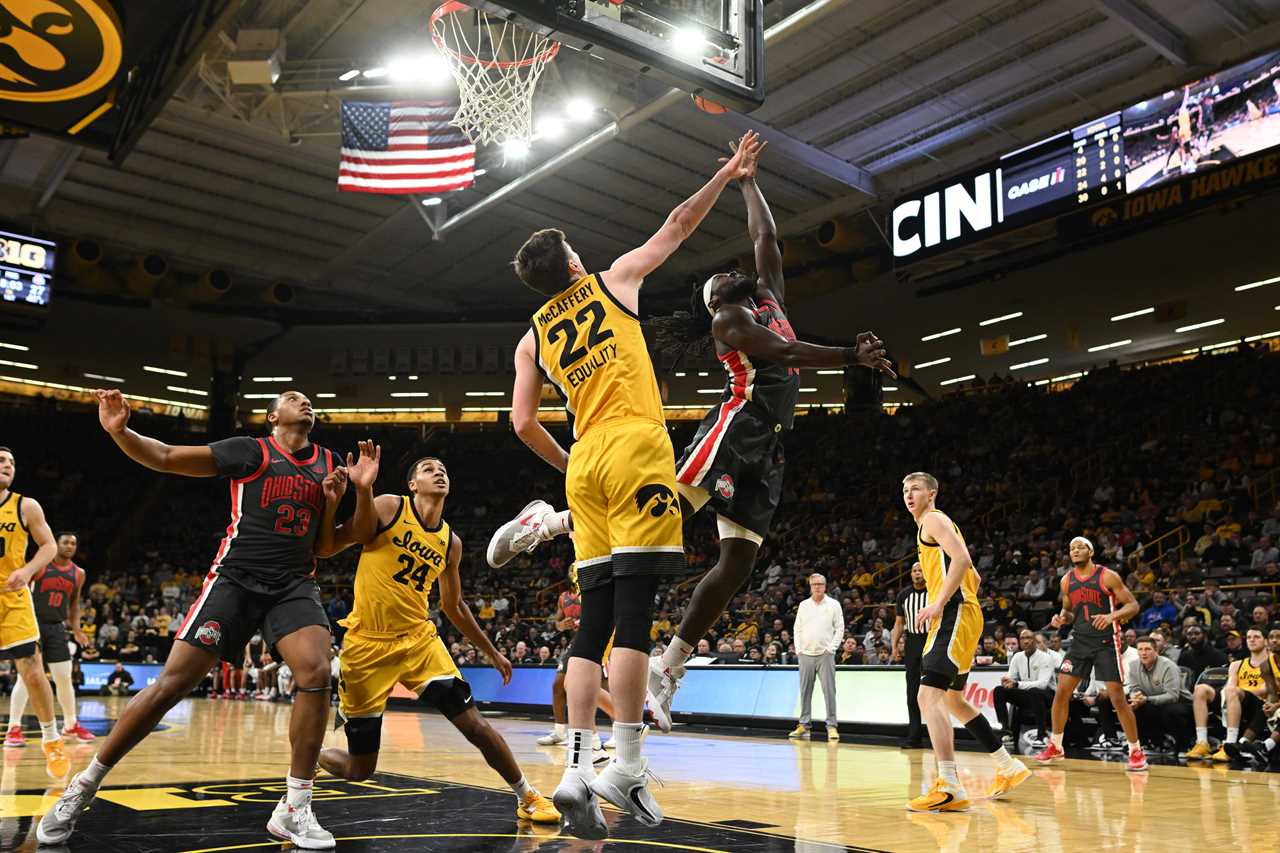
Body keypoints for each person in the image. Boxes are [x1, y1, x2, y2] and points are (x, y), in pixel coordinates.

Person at [487, 139, 893, 745]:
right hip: (734, 425)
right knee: (664, 511)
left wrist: (748, 182)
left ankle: (668, 667)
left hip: (767, 444)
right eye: (720, 278)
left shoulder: (766, 298)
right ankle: (555, 523)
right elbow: (778, 347)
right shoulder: (729, 320)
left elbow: (765, 243)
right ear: (714, 302)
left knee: (739, 562)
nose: (731, 272)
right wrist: (848, 356)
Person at [490, 132, 764, 841]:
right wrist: (726, 174)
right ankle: (628, 766)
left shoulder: (532, 336)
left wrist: (568, 468)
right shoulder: (612, 281)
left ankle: (577, 767)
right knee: (636, 615)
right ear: (574, 262)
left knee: (593, 621)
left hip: (584, 464)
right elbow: (676, 226)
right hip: (636, 446)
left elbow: (520, 421)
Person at [39, 390, 373, 849]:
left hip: (292, 584)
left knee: (316, 672)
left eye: (309, 399)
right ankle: (85, 785)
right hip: (235, 580)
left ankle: (295, 807)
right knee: (172, 684)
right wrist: (120, 432)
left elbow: (327, 546)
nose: (306, 402)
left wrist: (355, 492)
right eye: (294, 398)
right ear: (273, 416)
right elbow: (167, 455)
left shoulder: (330, 462)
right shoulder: (250, 451)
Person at [315, 455, 559, 825]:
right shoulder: (389, 506)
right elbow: (331, 546)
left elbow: (454, 605)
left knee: (476, 725)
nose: (439, 471)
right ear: (413, 484)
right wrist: (354, 494)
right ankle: (315, 755)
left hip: (419, 642)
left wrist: (492, 652)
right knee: (360, 769)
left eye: (444, 468)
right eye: (429, 469)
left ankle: (527, 795)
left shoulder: (451, 543)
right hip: (367, 646)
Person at [902, 472, 1028, 812]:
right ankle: (1008, 765)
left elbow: (964, 562)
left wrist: (939, 602)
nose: (908, 494)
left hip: (954, 613)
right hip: (962, 612)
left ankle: (949, 785)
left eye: (915, 488)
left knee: (927, 696)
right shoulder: (933, 525)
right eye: (904, 489)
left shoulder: (933, 519)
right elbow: (974, 576)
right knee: (955, 700)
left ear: (932, 492)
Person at [1034, 537, 1147, 771]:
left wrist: (1111, 617)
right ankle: (1056, 746)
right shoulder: (1066, 580)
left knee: (1116, 697)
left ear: (1091, 551)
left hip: (1106, 642)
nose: (1075, 550)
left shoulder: (1107, 576)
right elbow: (1068, 611)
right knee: (1062, 692)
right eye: (1071, 548)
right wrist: (1061, 618)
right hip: (1080, 643)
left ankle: (1136, 750)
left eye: (1080, 547)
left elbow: (1133, 605)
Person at [0, 447, 68, 778]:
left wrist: (27, 572)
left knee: (32, 669)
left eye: (11, 463)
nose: (7, 466)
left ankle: (52, 740)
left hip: (11, 597)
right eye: (1, 461)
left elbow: (50, 546)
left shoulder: (25, 505)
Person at [6, 530, 93, 745]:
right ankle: (13, 729)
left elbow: (74, 605)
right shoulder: (41, 565)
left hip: (56, 628)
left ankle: (71, 725)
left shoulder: (78, 573)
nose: (70, 546)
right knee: (25, 678)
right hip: (32, 625)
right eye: (65, 542)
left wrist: (78, 629)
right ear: (56, 544)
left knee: (64, 678)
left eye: (73, 543)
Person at [788, 574, 843, 741]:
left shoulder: (834, 604)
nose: (817, 587)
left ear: (825, 586)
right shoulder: (804, 605)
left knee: (829, 691)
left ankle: (832, 726)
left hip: (825, 655)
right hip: (806, 654)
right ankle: (804, 725)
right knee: (805, 691)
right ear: (810, 586)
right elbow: (797, 628)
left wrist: (831, 648)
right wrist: (799, 649)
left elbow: (840, 628)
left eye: (820, 584)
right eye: (814, 584)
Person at [1217, 627, 1280, 763]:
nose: (1275, 641)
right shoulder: (1266, 665)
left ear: (1264, 642)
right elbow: (1272, 693)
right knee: (1265, 707)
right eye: (1272, 638)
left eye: (1278, 637)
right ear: (1268, 642)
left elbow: (1266, 691)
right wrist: (1271, 703)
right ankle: (1243, 743)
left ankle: (1265, 746)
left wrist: (1275, 705)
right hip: (1265, 702)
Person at [1124, 636, 1192, 750]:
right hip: (1155, 703)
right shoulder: (1133, 665)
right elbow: (1134, 688)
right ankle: (1148, 743)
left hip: (1183, 705)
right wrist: (1136, 697)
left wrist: (1146, 699)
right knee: (1131, 705)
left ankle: (1184, 745)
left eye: (1147, 649)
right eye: (1140, 649)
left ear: (1156, 651)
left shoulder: (1169, 666)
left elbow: (1173, 696)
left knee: (1171, 710)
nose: (1143, 653)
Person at [993, 629, 1056, 746]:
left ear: (1035, 641)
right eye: (1023, 639)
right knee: (999, 691)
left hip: (1048, 696)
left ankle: (1042, 736)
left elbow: (1043, 684)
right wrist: (1007, 682)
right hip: (1028, 694)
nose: (1026, 641)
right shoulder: (1017, 657)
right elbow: (1011, 677)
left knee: (1035, 691)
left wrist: (1017, 684)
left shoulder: (1046, 658)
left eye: (1029, 638)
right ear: (1020, 642)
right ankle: (1006, 732)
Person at [891, 562, 928, 747]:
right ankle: (914, 736)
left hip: (932, 640)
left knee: (935, 689)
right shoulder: (903, 595)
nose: (917, 574)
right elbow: (899, 623)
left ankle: (940, 736)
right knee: (912, 691)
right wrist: (894, 646)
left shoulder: (935, 592)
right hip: (912, 641)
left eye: (920, 570)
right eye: (914, 571)